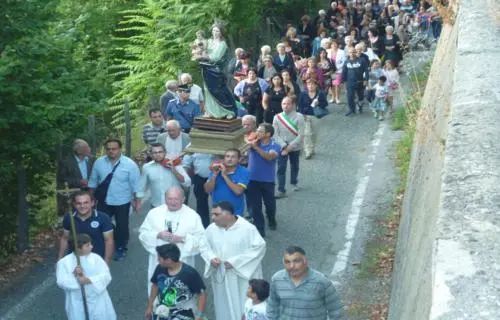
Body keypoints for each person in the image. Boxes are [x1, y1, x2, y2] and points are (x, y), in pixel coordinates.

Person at [199, 201, 266, 320]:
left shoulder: (247, 229)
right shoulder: (211, 229)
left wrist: (235, 262)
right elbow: (204, 246)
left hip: (242, 278)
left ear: (228, 215)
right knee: (223, 308)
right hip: (222, 277)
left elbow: (259, 248)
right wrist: (211, 258)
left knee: (242, 305)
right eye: (212, 214)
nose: (212, 218)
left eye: (216, 214)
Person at [139, 187, 205, 295]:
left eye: (176, 199)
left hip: (182, 260)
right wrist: (158, 235)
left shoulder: (193, 216)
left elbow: (202, 240)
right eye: (170, 199)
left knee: (182, 294)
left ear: (183, 199)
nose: (173, 202)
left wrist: (182, 239)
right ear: (165, 199)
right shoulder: (154, 213)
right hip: (159, 261)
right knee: (158, 291)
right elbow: (143, 234)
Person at [88, 138, 140, 261]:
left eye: (114, 149)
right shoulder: (99, 163)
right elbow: (93, 181)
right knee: (102, 224)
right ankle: (104, 246)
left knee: (122, 225)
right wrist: (90, 199)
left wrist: (137, 200)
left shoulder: (130, 164)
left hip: (122, 201)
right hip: (103, 200)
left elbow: (136, 184)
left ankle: (121, 248)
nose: (111, 151)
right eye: (108, 149)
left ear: (120, 149)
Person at [266, 246, 344, 320]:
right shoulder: (277, 279)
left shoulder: (321, 281)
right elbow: (272, 306)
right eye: (287, 262)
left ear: (305, 262)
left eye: (296, 261)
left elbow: (335, 310)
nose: (291, 266)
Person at [56, 234, 116, 320]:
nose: (91, 247)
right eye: (87, 245)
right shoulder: (64, 263)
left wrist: (89, 280)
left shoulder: (96, 258)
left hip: (98, 300)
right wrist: (76, 278)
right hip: (77, 302)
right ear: (78, 248)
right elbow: (61, 282)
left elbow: (106, 276)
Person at [145, 243, 207, 320]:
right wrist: (150, 306)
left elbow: (202, 294)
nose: (158, 260)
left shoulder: (190, 273)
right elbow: (155, 285)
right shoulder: (159, 268)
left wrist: (199, 316)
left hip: (184, 312)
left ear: (168, 260)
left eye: (159, 258)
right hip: (162, 311)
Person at [194, 22, 238, 118]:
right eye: (214, 30)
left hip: (216, 70)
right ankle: (210, 111)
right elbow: (201, 48)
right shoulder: (208, 41)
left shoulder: (222, 44)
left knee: (218, 90)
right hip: (206, 68)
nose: (215, 32)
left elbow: (216, 57)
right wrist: (198, 51)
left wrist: (203, 56)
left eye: (217, 31)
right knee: (207, 90)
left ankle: (227, 111)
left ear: (221, 32)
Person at [57, 191, 114, 265]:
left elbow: (109, 240)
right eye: (79, 203)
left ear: (92, 203)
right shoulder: (69, 217)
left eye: (86, 203)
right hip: (75, 259)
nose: (82, 206)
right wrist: (59, 259)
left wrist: (106, 262)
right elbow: (65, 238)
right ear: (74, 204)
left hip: (96, 260)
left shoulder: (103, 218)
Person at [247, 123, 281, 236]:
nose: (257, 133)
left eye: (261, 131)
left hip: (267, 181)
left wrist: (256, 147)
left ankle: (271, 220)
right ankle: (260, 229)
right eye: (257, 130)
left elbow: (269, 157)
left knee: (269, 204)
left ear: (268, 134)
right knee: (256, 206)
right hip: (252, 180)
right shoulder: (252, 142)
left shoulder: (275, 145)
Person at [137, 143, 191, 208]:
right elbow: (142, 186)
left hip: (175, 205)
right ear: (151, 155)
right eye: (155, 153)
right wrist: (138, 201)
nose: (158, 154)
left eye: (160, 152)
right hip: (156, 205)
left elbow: (187, 183)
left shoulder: (175, 164)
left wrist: (174, 170)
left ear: (165, 153)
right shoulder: (146, 167)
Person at [272, 97, 305, 198]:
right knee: (281, 167)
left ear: (293, 105)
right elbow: (275, 134)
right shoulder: (277, 117)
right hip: (282, 146)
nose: (285, 106)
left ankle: (294, 181)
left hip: (295, 146)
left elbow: (301, 134)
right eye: (283, 104)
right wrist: (284, 146)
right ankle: (281, 189)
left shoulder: (299, 116)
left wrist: (290, 146)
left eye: (288, 104)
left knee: (295, 165)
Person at [204, 148, 250, 216]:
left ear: (239, 159)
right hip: (218, 211)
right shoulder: (216, 169)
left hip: (235, 212)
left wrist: (225, 176)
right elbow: (207, 190)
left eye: (233, 157)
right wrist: (214, 175)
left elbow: (238, 192)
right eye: (227, 156)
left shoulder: (244, 171)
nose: (229, 159)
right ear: (224, 159)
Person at [182, 152, 217, 228]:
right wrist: (185, 178)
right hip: (199, 178)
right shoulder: (193, 144)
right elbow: (186, 162)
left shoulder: (216, 142)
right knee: (201, 204)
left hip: (217, 177)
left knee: (218, 203)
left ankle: (218, 227)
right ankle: (203, 227)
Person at [298, 79, 328, 160]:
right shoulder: (303, 94)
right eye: (308, 84)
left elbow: (325, 104)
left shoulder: (320, 94)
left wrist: (319, 103)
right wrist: (301, 114)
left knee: (314, 134)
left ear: (316, 85)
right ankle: (307, 151)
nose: (310, 86)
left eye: (312, 84)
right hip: (305, 116)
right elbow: (299, 105)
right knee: (306, 134)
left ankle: (312, 148)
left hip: (315, 116)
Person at [341, 46, 368, 116]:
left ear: (356, 52)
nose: (352, 53)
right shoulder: (346, 61)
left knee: (360, 96)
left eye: (353, 52)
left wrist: (366, 80)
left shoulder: (362, 60)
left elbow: (366, 71)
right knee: (350, 96)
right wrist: (343, 82)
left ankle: (360, 105)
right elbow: (344, 72)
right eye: (350, 52)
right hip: (350, 82)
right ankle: (351, 109)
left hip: (360, 81)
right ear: (348, 53)